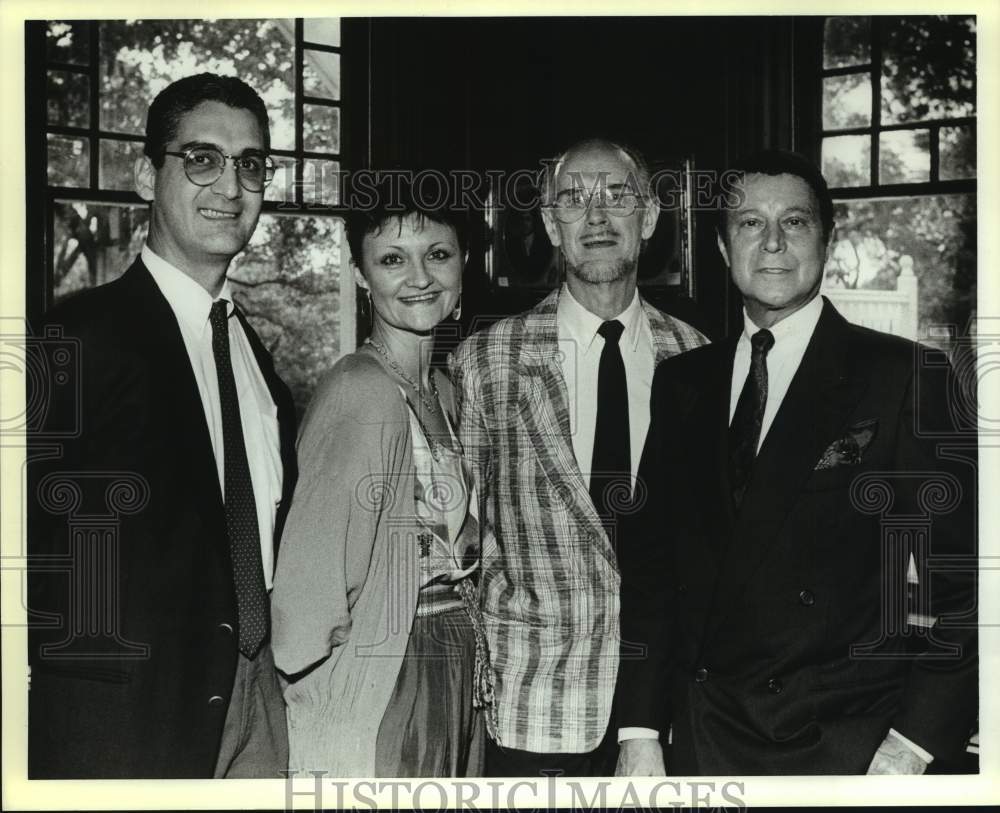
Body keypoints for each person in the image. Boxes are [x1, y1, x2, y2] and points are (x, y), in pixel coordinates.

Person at [615, 149, 977, 775]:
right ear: (726, 250)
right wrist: (640, 730)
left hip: (844, 744)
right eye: (751, 224)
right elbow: (650, 571)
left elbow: (962, 580)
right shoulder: (683, 383)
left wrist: (912, 744)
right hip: (704, 737)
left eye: (796, 222)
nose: (774, 242)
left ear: (827, 242)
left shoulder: (903, 377)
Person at [27, 73, 296, 778]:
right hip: (122, 731)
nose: (231, 187)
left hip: (257, 708)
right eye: (201, 159)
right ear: (149, 175)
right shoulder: (77, 340)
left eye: (251, 165)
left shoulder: (251, 354)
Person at [450, 138, 707, 776]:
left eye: (617, 196)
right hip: (529, 710)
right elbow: (458, 549)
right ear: (549, 223)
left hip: (673, 715)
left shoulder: (700, 359)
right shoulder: (485, 362)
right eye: (573, 199)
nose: (596, 218)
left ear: (648, 219)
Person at [270, 177, 490, 778]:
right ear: (363, 276)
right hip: (387, 676)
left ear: (464, 263)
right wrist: (337, 698)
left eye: (437, 255)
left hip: (454, 669)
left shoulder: (443, 388)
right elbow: (307, 601)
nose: (419, 277)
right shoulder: (360, 389)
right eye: (392, 259)